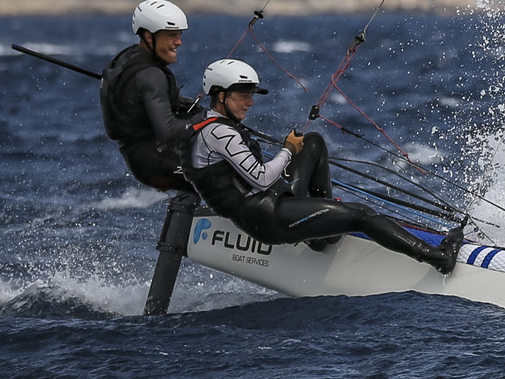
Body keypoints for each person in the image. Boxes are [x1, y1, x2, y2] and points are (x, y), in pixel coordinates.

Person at [184, 59, 464, 273]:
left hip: (272, 199)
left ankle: (319, 235)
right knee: (361, 215)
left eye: (251, 94)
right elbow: (260, 179)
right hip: (266, 217)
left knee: (313, 142)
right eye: (242, 95)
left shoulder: (215, 125)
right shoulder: (219, 133)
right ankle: (438, 258)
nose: (250, 101)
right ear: (220, 96)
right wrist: (287, 150)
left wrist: (295, 150)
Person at [100, 0, 200, 192]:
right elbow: (168, 132)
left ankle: (192, 211)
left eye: (179, 35)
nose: (178, 42)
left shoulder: (126, 58)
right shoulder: (151, 75)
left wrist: (178, 103)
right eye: (172, 36)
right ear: (148, 36)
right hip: (154, 160)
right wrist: (206, 119)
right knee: (224, 176)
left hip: (140, 155)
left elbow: (136, 100)